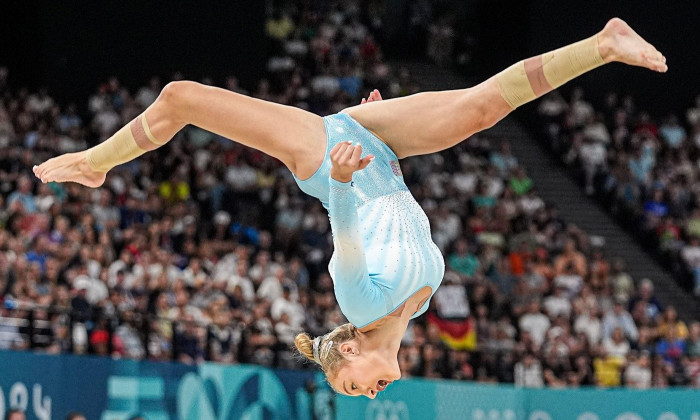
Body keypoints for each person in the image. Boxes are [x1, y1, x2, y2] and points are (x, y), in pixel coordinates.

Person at [33, 18, 666, 398]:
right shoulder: (414, 309)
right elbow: (392, 215)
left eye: (349, 385)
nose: (364, 393)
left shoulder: (362, 305)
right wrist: (373, 145)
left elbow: (346, 233)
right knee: (481, 111)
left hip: (328, 158)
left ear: (349, 352)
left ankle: (98, 162)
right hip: (385, 151)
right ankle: (603, 44)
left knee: (182, 98)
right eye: (358, 395)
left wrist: (337, 175)